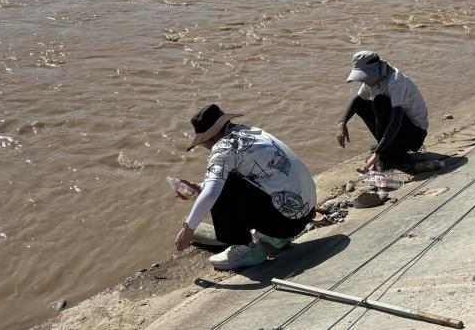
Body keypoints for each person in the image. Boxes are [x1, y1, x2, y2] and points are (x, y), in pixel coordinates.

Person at [173, 103, 317, 270]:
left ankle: (247, 248)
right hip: (306, 212)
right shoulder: (250, 131)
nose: (205, 147)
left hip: (288, 225)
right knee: (223, 180)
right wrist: (199, 187)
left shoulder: (223, 148)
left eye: (202, 142)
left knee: (220, 189)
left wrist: (188, 230)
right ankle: (274, 238)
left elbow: (212, 193)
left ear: (208, 138)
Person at [335, 51, 429, 170]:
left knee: (380, 102)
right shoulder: (374, 79)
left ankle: (388, 154)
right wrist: (342, 122)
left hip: (414, 136)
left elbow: (396, 122)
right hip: (400, 130)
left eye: (364, 77)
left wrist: (378, 153)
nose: (364, 81)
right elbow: (356, 100)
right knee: (361, 105)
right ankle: (389, 149)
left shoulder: (396, 82)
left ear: (374, 70)